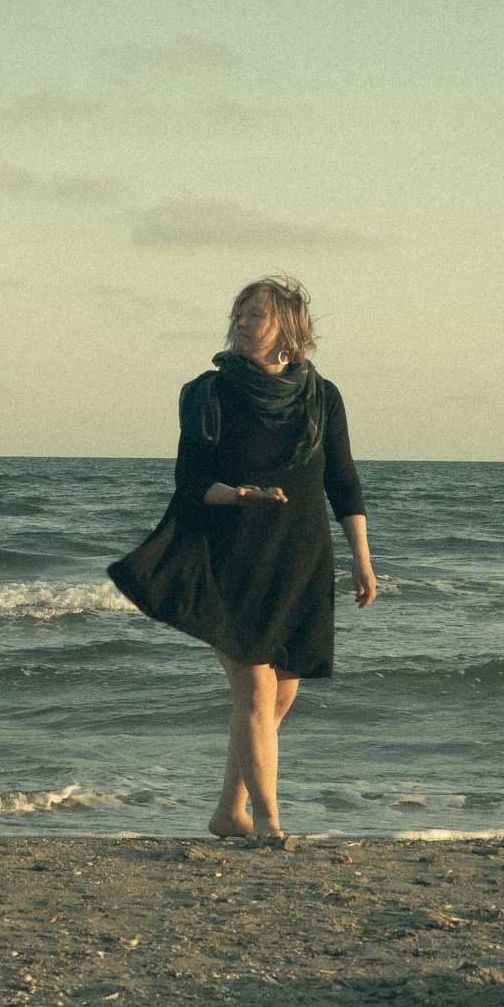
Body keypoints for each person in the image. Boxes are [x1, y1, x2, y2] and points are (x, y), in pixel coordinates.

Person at [108, 274, 376, 846]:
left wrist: (362, 558)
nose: (240, 322)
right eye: (238, 313)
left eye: (254, 315)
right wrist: (238, 494)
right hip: (227, 556)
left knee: (281, 693)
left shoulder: (321, 397)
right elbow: (188, 481)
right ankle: (271, 823)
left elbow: (343, 480)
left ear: (289, 331)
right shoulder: (209, 393)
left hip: (299, 557)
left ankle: (229, 812)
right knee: (254, 691)